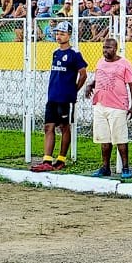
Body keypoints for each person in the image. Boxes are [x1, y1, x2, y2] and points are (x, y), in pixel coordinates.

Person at [31, 22, 88, 172]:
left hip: (65, 97)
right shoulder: (55, 52)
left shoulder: (74, 54)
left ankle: (61, 159)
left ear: (69, 35)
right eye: (57, 33)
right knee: (48, 127)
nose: (59, 36)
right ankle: (47, 160)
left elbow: (83, 74)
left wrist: (74, 90)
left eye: (62, 34)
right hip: (52, 96)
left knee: (64, 126)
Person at [83, 38, 132, 179]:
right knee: (104, 139)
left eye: (108, 48)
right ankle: (105, 167)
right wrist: (90, 85)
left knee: (120, 138)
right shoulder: (100, 62)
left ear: (115, 48)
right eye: (104, 47)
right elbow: (99, 78)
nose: (105, 50)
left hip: (118, 106)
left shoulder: (125, 64)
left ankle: (125, 168)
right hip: (100, 105)